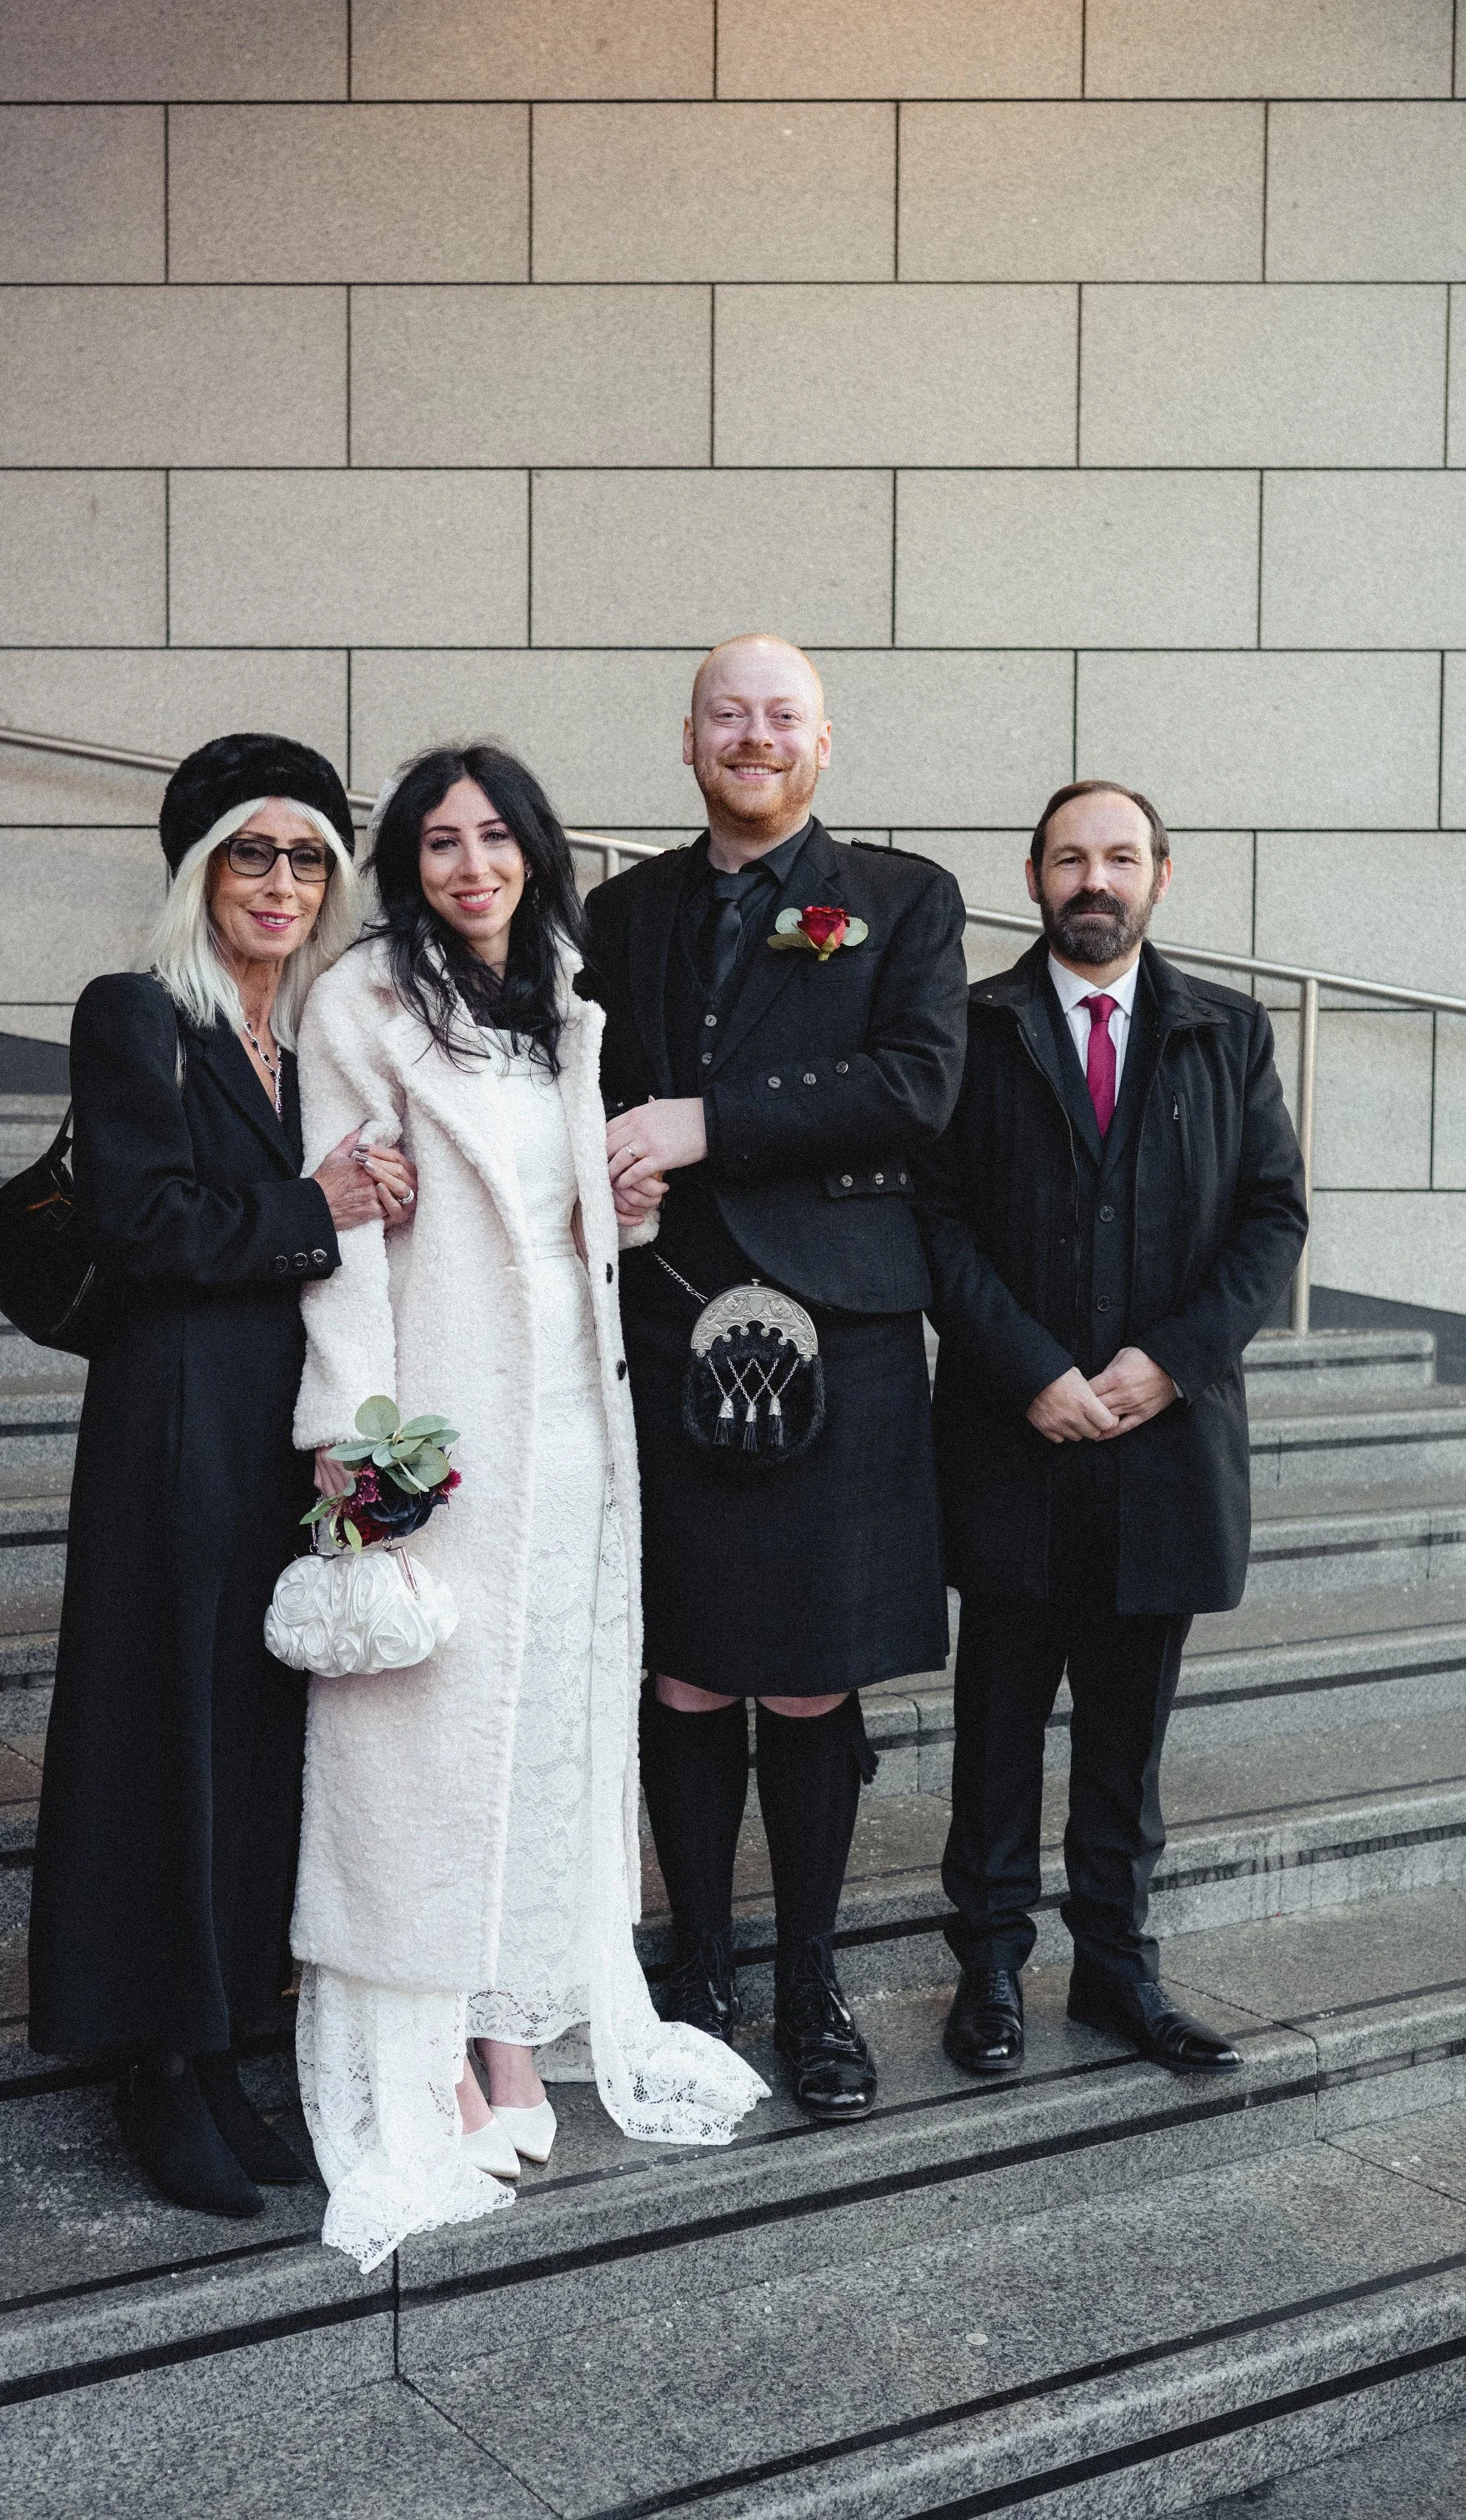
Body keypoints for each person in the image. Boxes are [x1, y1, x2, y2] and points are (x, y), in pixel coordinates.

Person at [288, 742, 766, 2270]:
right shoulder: (363, 1000)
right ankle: (424, 2037)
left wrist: (620, 1203)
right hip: (441, 1403)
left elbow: (574, 1200)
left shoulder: (558, 991)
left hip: (573, 1405)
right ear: (407, 866)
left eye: (495, 838)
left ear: (534, 852)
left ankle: (515, 2032)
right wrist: (353, 1434)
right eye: (439, 844)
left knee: (552, 1717)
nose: (471, 866)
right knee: (432, 1734)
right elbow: (344, 1227)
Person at [28, 732, 418, 2219]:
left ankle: (229, 2039)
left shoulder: (315, 1033)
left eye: (308, 857)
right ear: (201, 872)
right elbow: (147, 1226)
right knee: (164, 1729)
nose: (280, 881)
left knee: (255, 1732)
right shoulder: (138, 1014)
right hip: (173, 1423)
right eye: (251, 854)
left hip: (282, 1427)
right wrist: (314, 1208)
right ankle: (157, 2062)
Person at [587, 633, 968, 2123]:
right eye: (728, 715)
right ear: (687, 740)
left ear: (826, 742)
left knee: (810, 1682)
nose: (756, 737)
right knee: (680, 1667)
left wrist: (703, 1124)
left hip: (845, 1329)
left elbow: (918, 1084)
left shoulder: (902, 900)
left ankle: (808, 1977)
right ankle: (696, 1971)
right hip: (669, 1320)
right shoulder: (620, 910)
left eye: (782, 717)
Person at [915, 780, 1308, 2080]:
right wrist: (1028, 1368)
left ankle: (1115, 1972)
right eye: (1072, 859)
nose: (1097, 881)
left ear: (1161, 877)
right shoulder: (971, 1029)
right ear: (1032, 879)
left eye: (1121, 859)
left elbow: (1271, 1222)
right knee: (998, 1724)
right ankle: (988, 1971)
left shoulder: (1228, 1033)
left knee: (1129, 1739)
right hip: (1013, 1437)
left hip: (1164, 1444)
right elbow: (939, 1219)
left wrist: (1172, 1364)